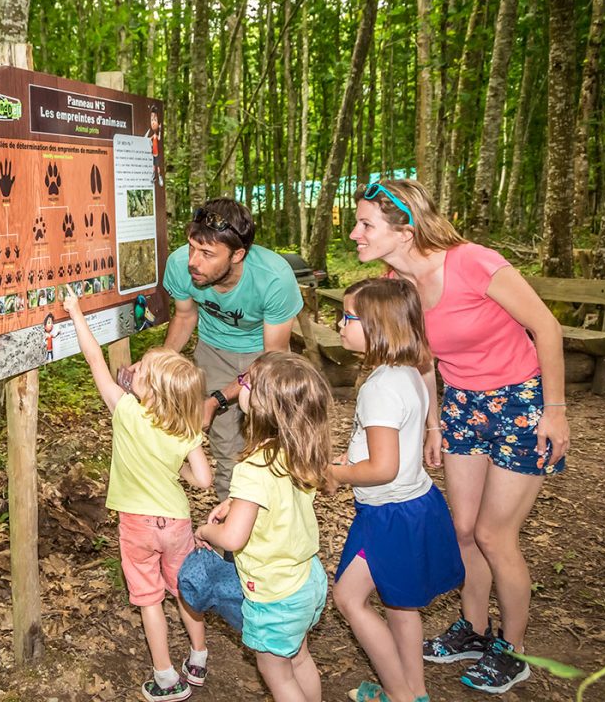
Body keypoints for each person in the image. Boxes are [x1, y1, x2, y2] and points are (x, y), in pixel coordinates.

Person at [349, 179, 570, 694]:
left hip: (521, 402)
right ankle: (472, 629)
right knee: (464, 529)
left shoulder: (473, 262)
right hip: (463, 405)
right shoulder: (394, 281)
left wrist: (555, 411)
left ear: (404, 230)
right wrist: (432, 421)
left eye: (366, 225)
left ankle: (512, 650)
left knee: (496, 535)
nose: (356, 234)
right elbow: (419, 357)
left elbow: (547, 328)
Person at [63, 288, 213, 702]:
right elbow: (201, 479)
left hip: (137, 524)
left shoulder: (126, 411)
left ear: (151, 389)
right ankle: (197, 657)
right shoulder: (185, 428)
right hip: (177, 522)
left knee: (149, 599)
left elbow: (96, 360)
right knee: (184, 589)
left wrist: (76, 312)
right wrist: (175, 467)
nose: (134, 372)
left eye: (142, 371)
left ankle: (165, 677)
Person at [326, 278, 464, 702]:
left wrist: (335, 473)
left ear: (377, 326)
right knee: (401, 604)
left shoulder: (380, 388)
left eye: (347, 317)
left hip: (389, 514)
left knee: (349, 599)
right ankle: (415, 691)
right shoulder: (407, 372)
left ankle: (400, 694)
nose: (339, 324)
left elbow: (382, 467)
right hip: (413, 504)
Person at [194, 352, 332, 702]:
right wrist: (237, 503)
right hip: (307, 579)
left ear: (264, 404)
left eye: (247, 383)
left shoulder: (253, 467)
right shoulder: (298, 450)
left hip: (276, 593)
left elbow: (233, 537)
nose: (240, 384)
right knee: (299, 658)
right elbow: (278, 501)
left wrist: (205, 531)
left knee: (276, 673)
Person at [163, 198, 304, 499]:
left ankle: (278, 524)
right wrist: (161, 362)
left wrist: (214, 400)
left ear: (238, 254)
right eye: (191, 247)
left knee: (275, 443)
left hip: (265, 354)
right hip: (214, 350)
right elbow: (186, 316)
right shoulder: (179, 265)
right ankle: (231, 529)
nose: (193, 261)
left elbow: (272, 359)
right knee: (227, 449)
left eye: (207, 254)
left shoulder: (274, 278)